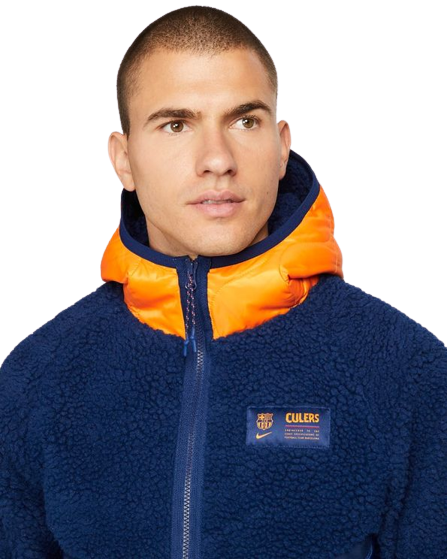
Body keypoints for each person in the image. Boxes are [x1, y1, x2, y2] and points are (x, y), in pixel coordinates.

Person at [0, 6, 445, 559]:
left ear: (282, 146)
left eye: (244, 121)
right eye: (176, 124)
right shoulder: (35, 377)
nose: (217, 159)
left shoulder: (407, 368)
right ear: (123, 159)